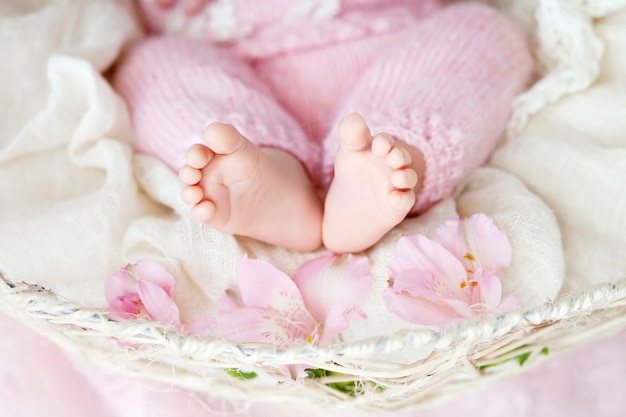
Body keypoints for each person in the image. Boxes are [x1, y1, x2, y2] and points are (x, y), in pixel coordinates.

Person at [113, 0, 533, 253]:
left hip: (396, 55)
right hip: (240, 73)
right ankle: (268, 175)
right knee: (150, 65)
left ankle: (384, 167)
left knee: (483, 29)